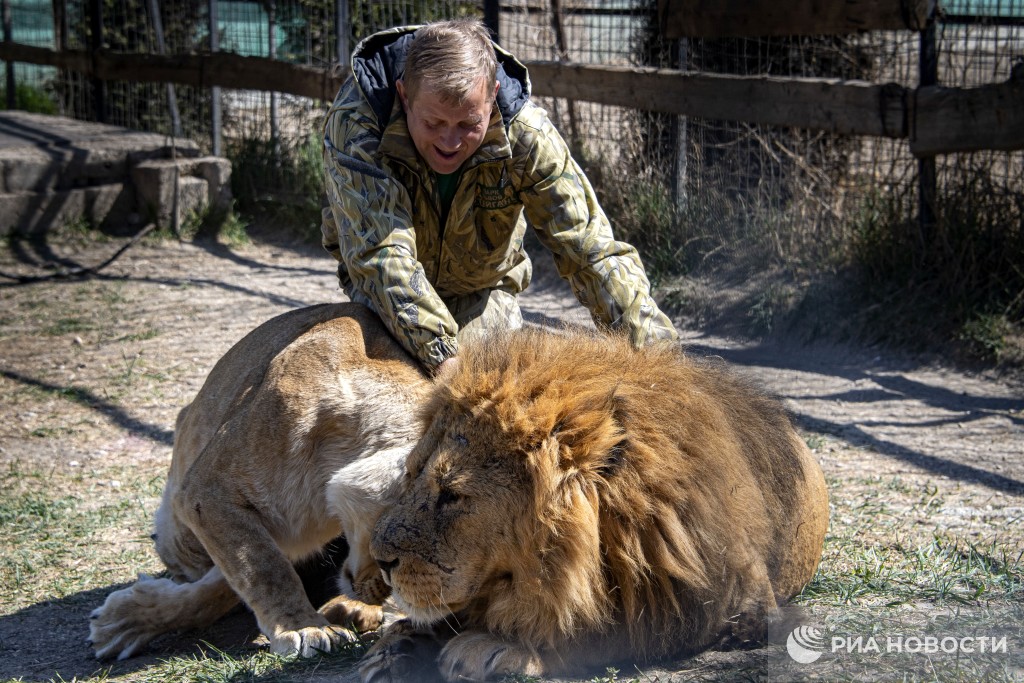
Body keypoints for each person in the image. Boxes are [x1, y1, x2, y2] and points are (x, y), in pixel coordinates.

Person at [321, 18, 678, 375]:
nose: (450, 142)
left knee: (491, 399)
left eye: (468, 124)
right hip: (383, 288)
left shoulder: (528, 136)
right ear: (404, 95)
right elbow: (379, 253)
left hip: (483, 290)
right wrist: (443, 357)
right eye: (433, 124)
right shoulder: (358, 125)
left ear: (492, 96)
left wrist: (660, 362)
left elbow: (589, 250)